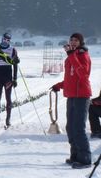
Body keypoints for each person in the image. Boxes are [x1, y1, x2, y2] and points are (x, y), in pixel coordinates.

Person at [51, 33, 92, 169]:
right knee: (70, 127)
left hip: (82, 96)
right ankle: (75, 155)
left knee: (79, 128)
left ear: (81, 42)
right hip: (72, 96)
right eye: (71, 40)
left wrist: (71, 55)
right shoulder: (71, 57)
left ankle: (85, 159)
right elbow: (71, 78)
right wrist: (59, 85)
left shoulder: (83, 55)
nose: (73, 42)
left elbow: (83, 75)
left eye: (76, 40)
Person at [0, 32, 19, 127]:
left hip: (8, 76)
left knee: (8, 98)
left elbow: (15, 64)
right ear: (2, 39)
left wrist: (15, 78)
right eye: (5, 39)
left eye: (8, 40)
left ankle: (8, 119)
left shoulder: (12, 49)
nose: (6, 41)